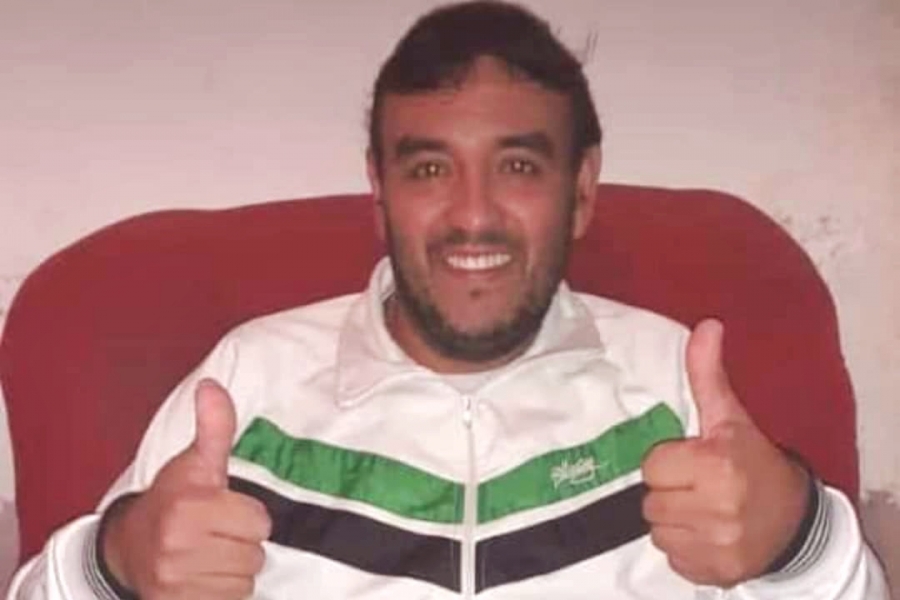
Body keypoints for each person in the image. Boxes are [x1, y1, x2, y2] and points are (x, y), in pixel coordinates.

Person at [7, 1, 889, 599]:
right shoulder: (246, 382)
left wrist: (798, 537)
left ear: (582, 190)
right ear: (379, 190)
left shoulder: (675, 385)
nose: (472, 215)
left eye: (518, 166)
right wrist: (119, 562)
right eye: (429, 169)